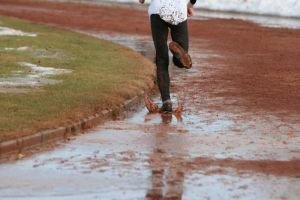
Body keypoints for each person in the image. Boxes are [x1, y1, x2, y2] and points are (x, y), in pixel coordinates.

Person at [140, 0, 197, 113]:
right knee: (182, 59)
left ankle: (167, 102)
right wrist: (189, 5)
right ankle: (176, 53)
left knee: (161, 59)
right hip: (179, 10)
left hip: (158, 10)